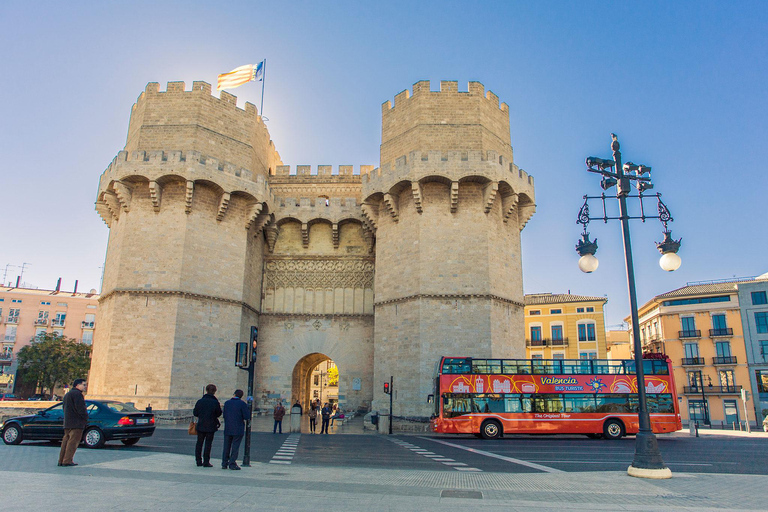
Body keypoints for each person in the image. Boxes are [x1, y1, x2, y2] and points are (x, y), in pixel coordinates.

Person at [58, 378, 88, 467]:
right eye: (84, 385)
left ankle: (61, 460)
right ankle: (67, 460)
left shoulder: (67, 395)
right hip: (77, 423)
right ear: (77, 385)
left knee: (65, 442)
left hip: (68, 422)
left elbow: (64, 408)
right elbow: (81, 409)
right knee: (73, 442)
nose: (85, 387)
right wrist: (85, 418)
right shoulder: (78, 395)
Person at [193, 384, 222, 467]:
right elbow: (218, 413)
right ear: (214, 391)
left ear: (206, 390)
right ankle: (206, 461)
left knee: (199, 443)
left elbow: (195, 413)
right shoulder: (215, 402)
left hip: (201, 424)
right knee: (208, 444)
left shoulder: (200, 401)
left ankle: (198, 461)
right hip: (211, 425)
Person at [221, 389, 249, 470]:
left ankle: (224, 463)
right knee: (235, 446)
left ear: (234, 394)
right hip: (238, 428)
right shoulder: (242, 404)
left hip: (228, 427)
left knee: (226, 446)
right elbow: (246, 416)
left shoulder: (227, 403)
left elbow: (224, 415)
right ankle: (232, 463)